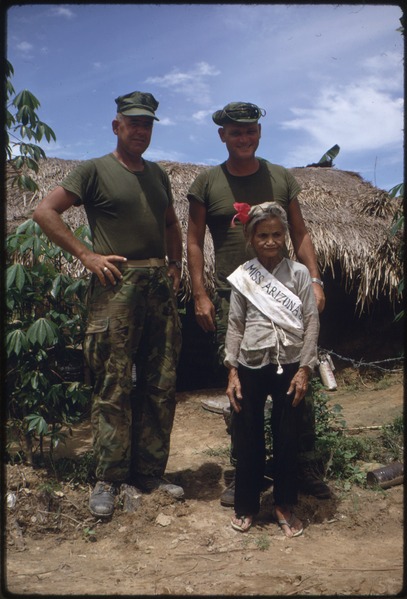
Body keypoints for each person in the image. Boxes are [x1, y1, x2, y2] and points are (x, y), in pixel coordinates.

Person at [33, 91, 184, 518]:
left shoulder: (158, 175)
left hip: (158, 286)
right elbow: (45, 212)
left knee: (161, 382)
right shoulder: (94, 170)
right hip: (117, 283)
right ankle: (108, 478)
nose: (141, 130)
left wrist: (175, 265)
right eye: (133, 123)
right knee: (113, 383)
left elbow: (172, 223)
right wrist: (86, 254)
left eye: (148, 124)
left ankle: (151, 472)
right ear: (117, 126)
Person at [187, 101, 330, 507]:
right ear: (223, 136)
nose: (243, 137)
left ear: (259, 134)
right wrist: (199, 292)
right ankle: (243, 472)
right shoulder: (207, 183)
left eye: (250, 130)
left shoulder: (281, 177)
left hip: (285, 293)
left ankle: (300, 469)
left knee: (297, 383)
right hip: (236, 295)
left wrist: (314, 279)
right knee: (242, 390)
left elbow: (300, 233)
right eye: (235, 131)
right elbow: (194, 240)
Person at [225, 201, 319, 536]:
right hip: (250, 363)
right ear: (252, 238)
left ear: (285, 237)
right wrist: (232, 370)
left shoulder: (299, 274)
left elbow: (310, 322)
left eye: (277, 234)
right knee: (248, 436)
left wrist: (306, 368)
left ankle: (283, 505)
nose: (270, 240)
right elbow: (235, 325)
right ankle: (246, 506)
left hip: (291, 363)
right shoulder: (244, 278)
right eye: (263, 234)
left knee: (287, 437)